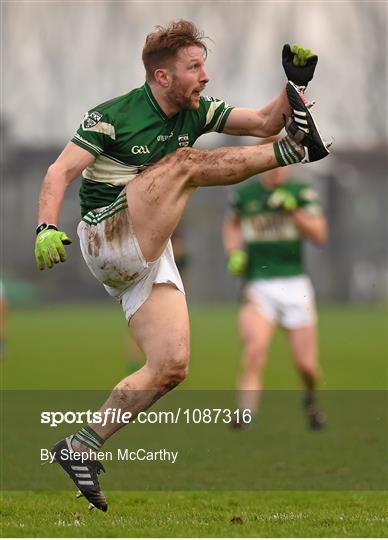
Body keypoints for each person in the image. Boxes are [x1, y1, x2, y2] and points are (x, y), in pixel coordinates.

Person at [34, 20, 330, 511]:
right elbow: (58, 171)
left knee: (171, 366)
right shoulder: (112, 116)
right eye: (195, 67)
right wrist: (45, 226)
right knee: (187, 163)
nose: (205, 77)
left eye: (203, 66)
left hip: (147, 253)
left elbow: (261, 121)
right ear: (162, 77)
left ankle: (82, 444)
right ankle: (292, 154)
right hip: (106, 233)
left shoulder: (197, 109)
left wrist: (293, 87)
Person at [223, 146, 327, 429]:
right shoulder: (245, 195)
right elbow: (232, 226)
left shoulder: (300, 193)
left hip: (295, 285)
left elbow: (319, 234)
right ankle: (246, 414)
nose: (277, 170)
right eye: (272, 164)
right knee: (254, 351)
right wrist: (234, 252)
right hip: (258, 284)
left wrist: (293, 211)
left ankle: (310, 399)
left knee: (307, 366)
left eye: (283, 164)